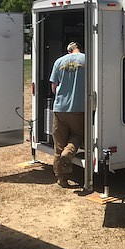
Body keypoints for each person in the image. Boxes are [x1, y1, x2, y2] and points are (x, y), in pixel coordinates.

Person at [49, 41, 86, 188]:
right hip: (78, 108)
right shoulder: (86, 60)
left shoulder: (59, 61)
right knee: (78, 135)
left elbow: (53, 88)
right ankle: (68, 154)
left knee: (58, 144)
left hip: (59, 108)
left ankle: (61, 179)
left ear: (68, 51)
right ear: (78, 49)